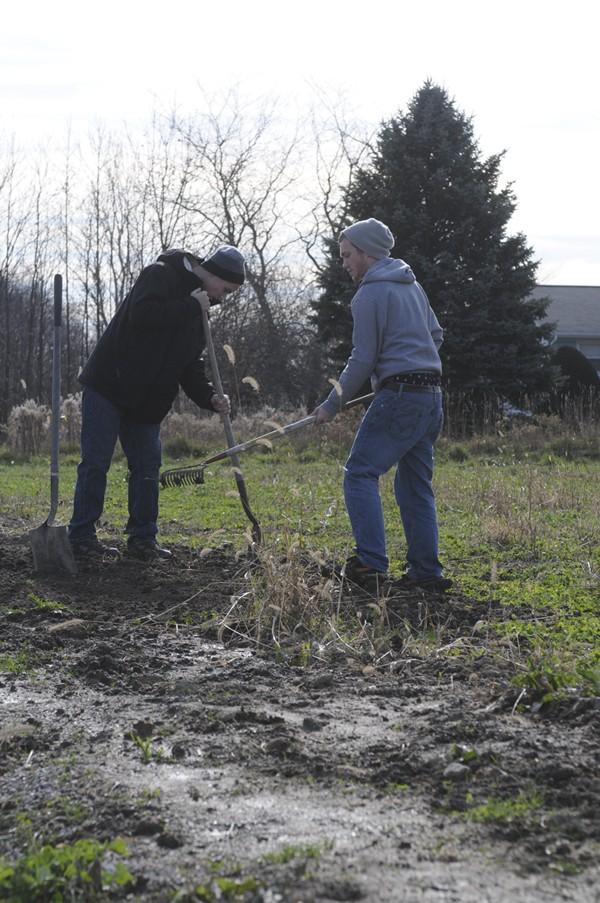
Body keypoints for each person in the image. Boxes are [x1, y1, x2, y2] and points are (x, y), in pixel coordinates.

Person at [68, 246, 246, 562]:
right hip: (109, 386)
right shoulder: (160, 275)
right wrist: (191, 306)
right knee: (96, 463)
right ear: (216, 275)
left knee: (148, 467)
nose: (224, 296)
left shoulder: (200, 313)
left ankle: (142, 540)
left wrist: (209, 397)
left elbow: (190, 366)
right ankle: (81, 537)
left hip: (147, 402)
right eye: (227, 289)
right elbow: (143, 315)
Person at [313, 218, 452, 592]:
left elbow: (362, 358)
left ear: (366, 252)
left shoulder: (370, 294)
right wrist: (410, 364)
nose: (343, 263)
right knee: (414, 486)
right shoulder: (413, 286)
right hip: (431, 396)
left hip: (402, 396)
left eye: (346, 255)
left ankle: (370, 564)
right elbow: (435, 335)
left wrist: (330, 405)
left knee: (359, 473)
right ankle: (426, 572)